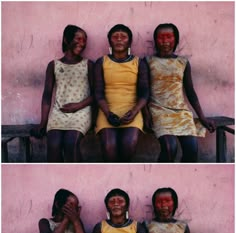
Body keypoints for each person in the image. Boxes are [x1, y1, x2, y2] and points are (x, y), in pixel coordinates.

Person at [145, 23, 215, 162]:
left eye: (169, 37)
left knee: (192, 150)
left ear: (175, 40)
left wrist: (202, 117)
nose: (165, 41)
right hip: (158, 111)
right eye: (161, 38)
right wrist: (146, 115)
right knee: (170, 148)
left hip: (181, 112)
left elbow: (190, 92)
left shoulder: (183, 62)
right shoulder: (148, 61)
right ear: (155, 40)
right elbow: (143, 92)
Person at [32, 25, 93, 162]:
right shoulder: (53, 65)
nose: (82, 43)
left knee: (71, 142)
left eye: (85, 40)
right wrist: (43, 121)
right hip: (59, 111)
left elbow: (96, 94)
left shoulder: (88, 65)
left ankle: (76, 177)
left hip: (82, 110)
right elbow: (47, 95)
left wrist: (77, 106)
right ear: (66, 40)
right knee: (53, 144)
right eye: (79, 39)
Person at [95, 24, 149, 162]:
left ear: (129, 41)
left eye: (123, 37)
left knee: (129, 145)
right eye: (115, 37)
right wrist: (108, 113)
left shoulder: (139, 63)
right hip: (107, 109)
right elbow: (98, 93)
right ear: (110, 41)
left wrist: (135, 111)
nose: (119, 40)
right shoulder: (101, 62)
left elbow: (144, 93)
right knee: (108, 147)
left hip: (132, 109)